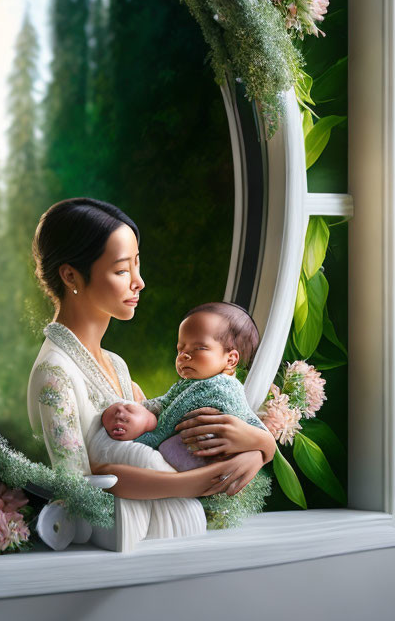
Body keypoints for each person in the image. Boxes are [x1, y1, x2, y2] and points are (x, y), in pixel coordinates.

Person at [26, 198, 276, 550]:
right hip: (112, 545)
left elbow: (160, 437)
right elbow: (80, 487)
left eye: (137, 266)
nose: (139, 282)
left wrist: (260, 445)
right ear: (71, 276)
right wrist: (202, 480)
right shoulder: (55, 373)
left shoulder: (116, 365)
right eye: (122, 270)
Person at [89, 302, 270, 478]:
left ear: (231, 359)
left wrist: (149, 439)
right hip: (193, 455)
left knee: (148, 450)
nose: (184, 356)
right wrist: (141, 407)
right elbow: (165, 402)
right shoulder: (192, 383)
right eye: (180, 349)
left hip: (203, 459)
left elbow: (172, 418)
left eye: (199, 348)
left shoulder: (220, 386)